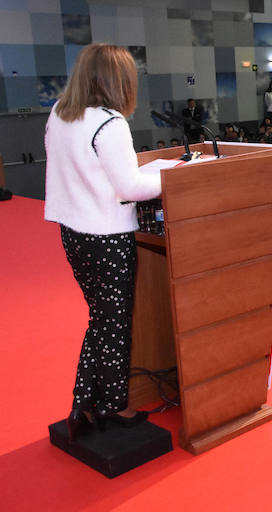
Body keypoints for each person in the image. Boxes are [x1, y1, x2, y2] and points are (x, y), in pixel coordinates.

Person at [44, 44, 161, 441]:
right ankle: (111, 404)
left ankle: (85, 402)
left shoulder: (61, 113)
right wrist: (174, 176)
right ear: (118, 81)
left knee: (101, 318)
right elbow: (130, 187)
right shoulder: (110, 123)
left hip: (73, 232)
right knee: (113, 324)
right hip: (107, 237)